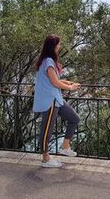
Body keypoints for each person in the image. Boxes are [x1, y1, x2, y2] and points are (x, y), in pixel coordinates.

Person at [33, 34, 82, 168]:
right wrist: (70, 87)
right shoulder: (48, 61)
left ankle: (65, 146)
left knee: (74, 118)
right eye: (58, 44)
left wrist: (64, 81)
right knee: (46, 130)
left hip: (56, 99)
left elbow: (52, 80)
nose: (60, 47)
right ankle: (46, 159)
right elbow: (54, 82)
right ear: (53, 46)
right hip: (50, 101)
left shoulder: (47, 60)